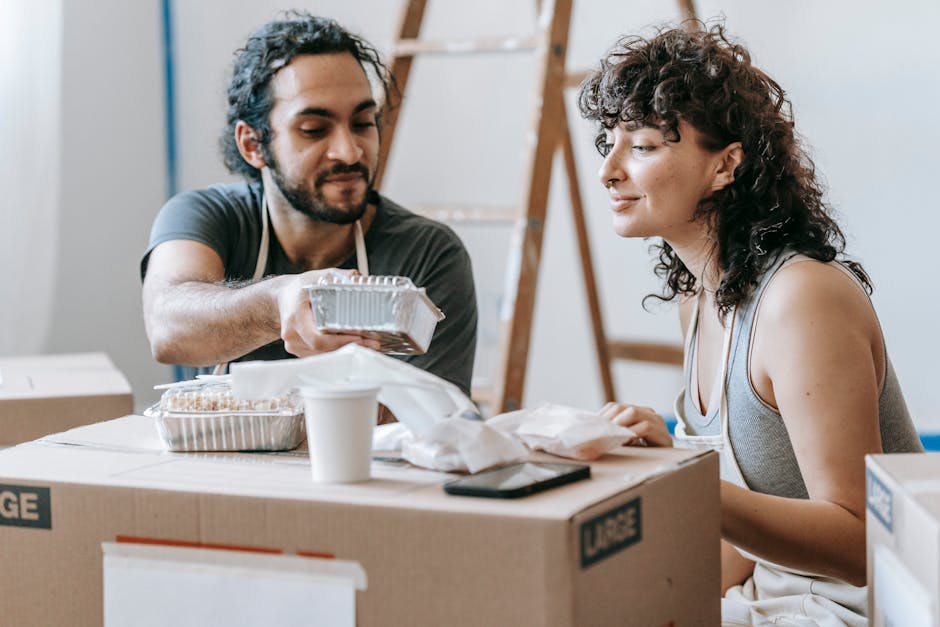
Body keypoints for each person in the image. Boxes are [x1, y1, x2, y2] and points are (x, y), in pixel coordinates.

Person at [579, 23, 923, 625]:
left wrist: (684, 480)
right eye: (609, 141)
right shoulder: (701, 300)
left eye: (642, 146)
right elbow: (745, 544)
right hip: (779, 601)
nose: (609, 171)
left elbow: (862, 545)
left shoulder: (801, 300)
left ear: (725, 166)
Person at [140, 11, 477, 398]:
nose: (349, 151)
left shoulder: (428, 253)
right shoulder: (205, 218)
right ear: (252, 144)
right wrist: (279, 302)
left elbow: (437, 422)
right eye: (314, 130)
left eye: (363, 122)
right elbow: (167, 329)